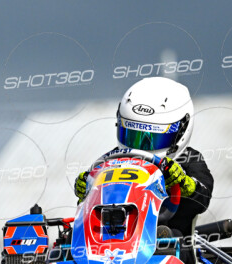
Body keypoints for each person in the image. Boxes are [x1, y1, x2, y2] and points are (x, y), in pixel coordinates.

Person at [74, 76, 214, 237]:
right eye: (132, 136)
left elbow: (203, 197)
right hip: (113, 235)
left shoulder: (188, 159)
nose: (139, 148)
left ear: (181, 131)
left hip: (166, 238)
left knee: (170, 236)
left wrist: (184, 182)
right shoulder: (112, 159)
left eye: (152, 140)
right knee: (73, 235)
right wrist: (88, 186)